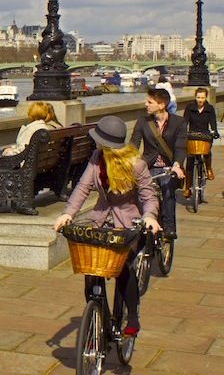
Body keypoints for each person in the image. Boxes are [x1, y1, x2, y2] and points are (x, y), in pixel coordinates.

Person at [53, 115, 161, 336]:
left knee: (124, 269)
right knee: (91, 270)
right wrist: (67, 214)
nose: (97, 144)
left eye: (100, 141)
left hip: (127, 223)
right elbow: (82, 188)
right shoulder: (96, 157)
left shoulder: (136, 165)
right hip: (100, 220)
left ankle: (132, 318)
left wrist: (150, 217)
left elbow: (149, 197)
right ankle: (98, 314)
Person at [129, 88, 186, 239]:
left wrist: (177, 165)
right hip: (148, 165)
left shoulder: (178, 122)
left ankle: (169, 227)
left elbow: (181, 146)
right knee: (138, 191)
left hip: (168, 167)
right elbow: (134, 143)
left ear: (161, 105)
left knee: (167, 189)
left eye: (149, 102)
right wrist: (130, 161)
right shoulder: (143, 121)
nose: (145, 104)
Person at [182, 87, 218, 195]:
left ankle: (208, 168)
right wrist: (182, 131)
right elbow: (185, 122)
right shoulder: (190, 107)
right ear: (195, 97)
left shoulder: (209, 108)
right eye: (198, 97)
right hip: (192, 134)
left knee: (207, 151)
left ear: (206, 97)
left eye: (202, 97)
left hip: (205, 134)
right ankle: (187, 188)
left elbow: (213, 122)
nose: (200, 100)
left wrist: (214, 131)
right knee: (190, 159)